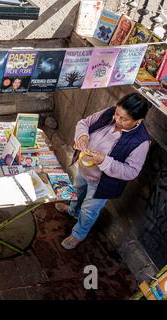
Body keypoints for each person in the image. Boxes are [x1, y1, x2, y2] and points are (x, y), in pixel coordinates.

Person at [55, 93, 151, 249]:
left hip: (102, 183)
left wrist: (104, 161)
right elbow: (84, 123)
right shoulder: (109, 113)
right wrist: (83, 136)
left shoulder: (141, 141)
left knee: (88, 211)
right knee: (77, 191)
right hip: (84, 168)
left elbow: (131, 171)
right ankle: (72, 211)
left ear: (138, 121)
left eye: (123, 119)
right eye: (117, 114)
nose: (117, 120)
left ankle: (78, 234)